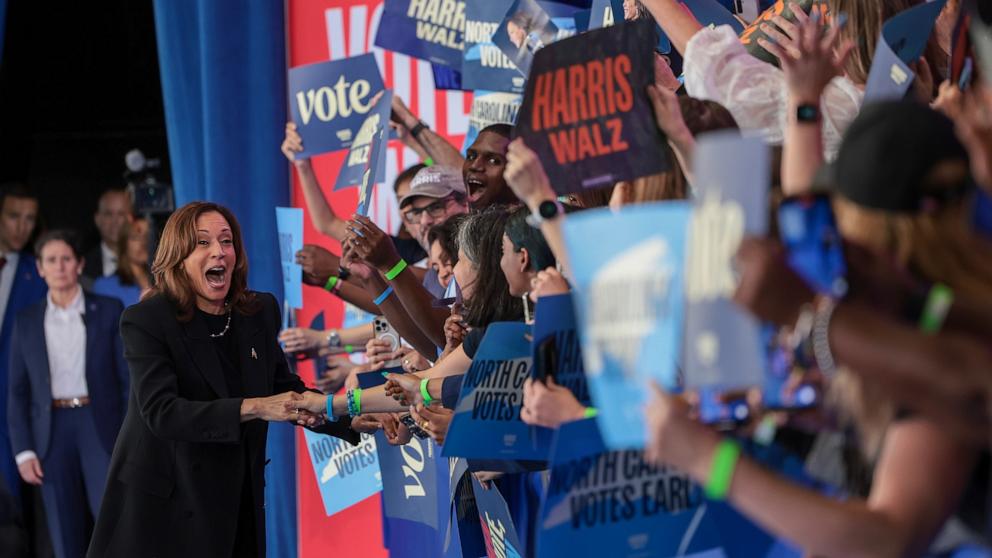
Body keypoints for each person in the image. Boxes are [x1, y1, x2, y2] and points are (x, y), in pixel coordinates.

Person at [87, 202, 358, 558]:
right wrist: (258, 407)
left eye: (226, 241)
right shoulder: (147, 319)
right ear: (178, 256)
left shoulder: (257, 312)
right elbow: (162, 413)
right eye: (203, 243)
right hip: (164, 510)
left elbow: (282, 389)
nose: (219, 251)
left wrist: (350, 417)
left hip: (235, 499)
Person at [7, 230, 129, 558]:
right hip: (51, 432)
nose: (59, 266)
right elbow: (17, 390)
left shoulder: (108, 309)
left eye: (66, 259)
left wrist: (128, 435)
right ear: (40, 267)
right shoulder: (27, 320)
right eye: (51, 260)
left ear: (79, 264)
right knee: (64, 531)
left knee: (113, 524)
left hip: (99, 424)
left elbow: (126, 380)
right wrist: (23, 451)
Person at [0, 184, 46, 503]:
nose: (21, 226)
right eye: (14, 216)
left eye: (29, 218)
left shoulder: (41, 275)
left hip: (11, 412)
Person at [93, 217, 152, 308]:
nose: (143, 242)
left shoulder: (164, 282)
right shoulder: (106, 286)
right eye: (135, 237)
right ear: (124, 243)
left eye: (147, 236)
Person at [82, 189, 132, 280]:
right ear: (97, 219)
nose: (115, 221)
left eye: (121, 214)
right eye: (108, 214)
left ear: (132, 219)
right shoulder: (82, 265)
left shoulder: (149, 262)